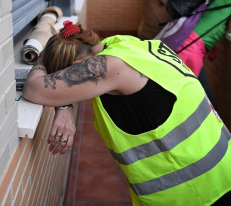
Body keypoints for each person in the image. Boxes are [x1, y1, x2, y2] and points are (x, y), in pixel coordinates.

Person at [23, 20, 231, 205]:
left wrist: (41, 58)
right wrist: (64, 104)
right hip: (221, 163)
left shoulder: (110, 67)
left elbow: (35, 88)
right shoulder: (124, 44)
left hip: (199, 191)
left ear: (77, 68)